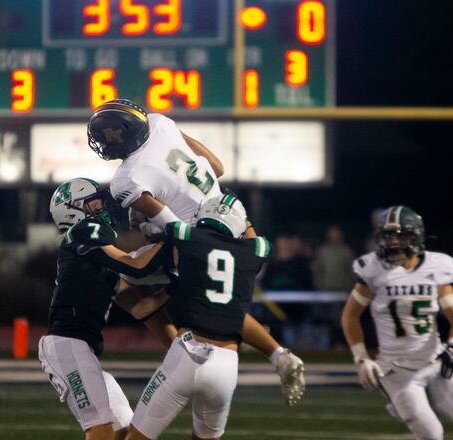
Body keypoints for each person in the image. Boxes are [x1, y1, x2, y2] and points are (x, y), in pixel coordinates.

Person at [87, 99, 305, 405]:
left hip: (201, 236)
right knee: (220, 305)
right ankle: (280, 356)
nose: (98, 143)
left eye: (102, 136)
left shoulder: (127, 178)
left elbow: (174, 227)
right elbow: (216, 167)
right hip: (236, 223)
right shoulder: (160, 123)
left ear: (119, 135)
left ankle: (180, 356)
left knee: (128, 284)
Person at [125, 195, 272, 440]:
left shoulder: (189, 237)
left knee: (137, 436)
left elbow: (161, 214)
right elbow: (257, 240)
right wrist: (243, 219)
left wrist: (133, 192)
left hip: (186, 353)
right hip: (226, 363)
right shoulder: (255, 250)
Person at [39, 178, 171, 440]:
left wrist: (172, 289)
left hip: (81, 348)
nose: (103, 209)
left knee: (124, 430)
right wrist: (177, 240)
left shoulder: (95, 257)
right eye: (95, 203)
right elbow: (135, 266)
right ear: (73, 209)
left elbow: (141, 308)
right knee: (100, 430)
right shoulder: (82, 232)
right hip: (67, 344)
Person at [341, 206, 453, 440]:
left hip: (435, 361)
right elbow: (350, 315)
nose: (394, 242)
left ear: (416, 236)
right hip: (396, 370)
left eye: (401, 235)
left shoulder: (437, 267)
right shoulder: (373, 270)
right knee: (432, 434)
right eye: (389, 236)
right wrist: (361, 357)